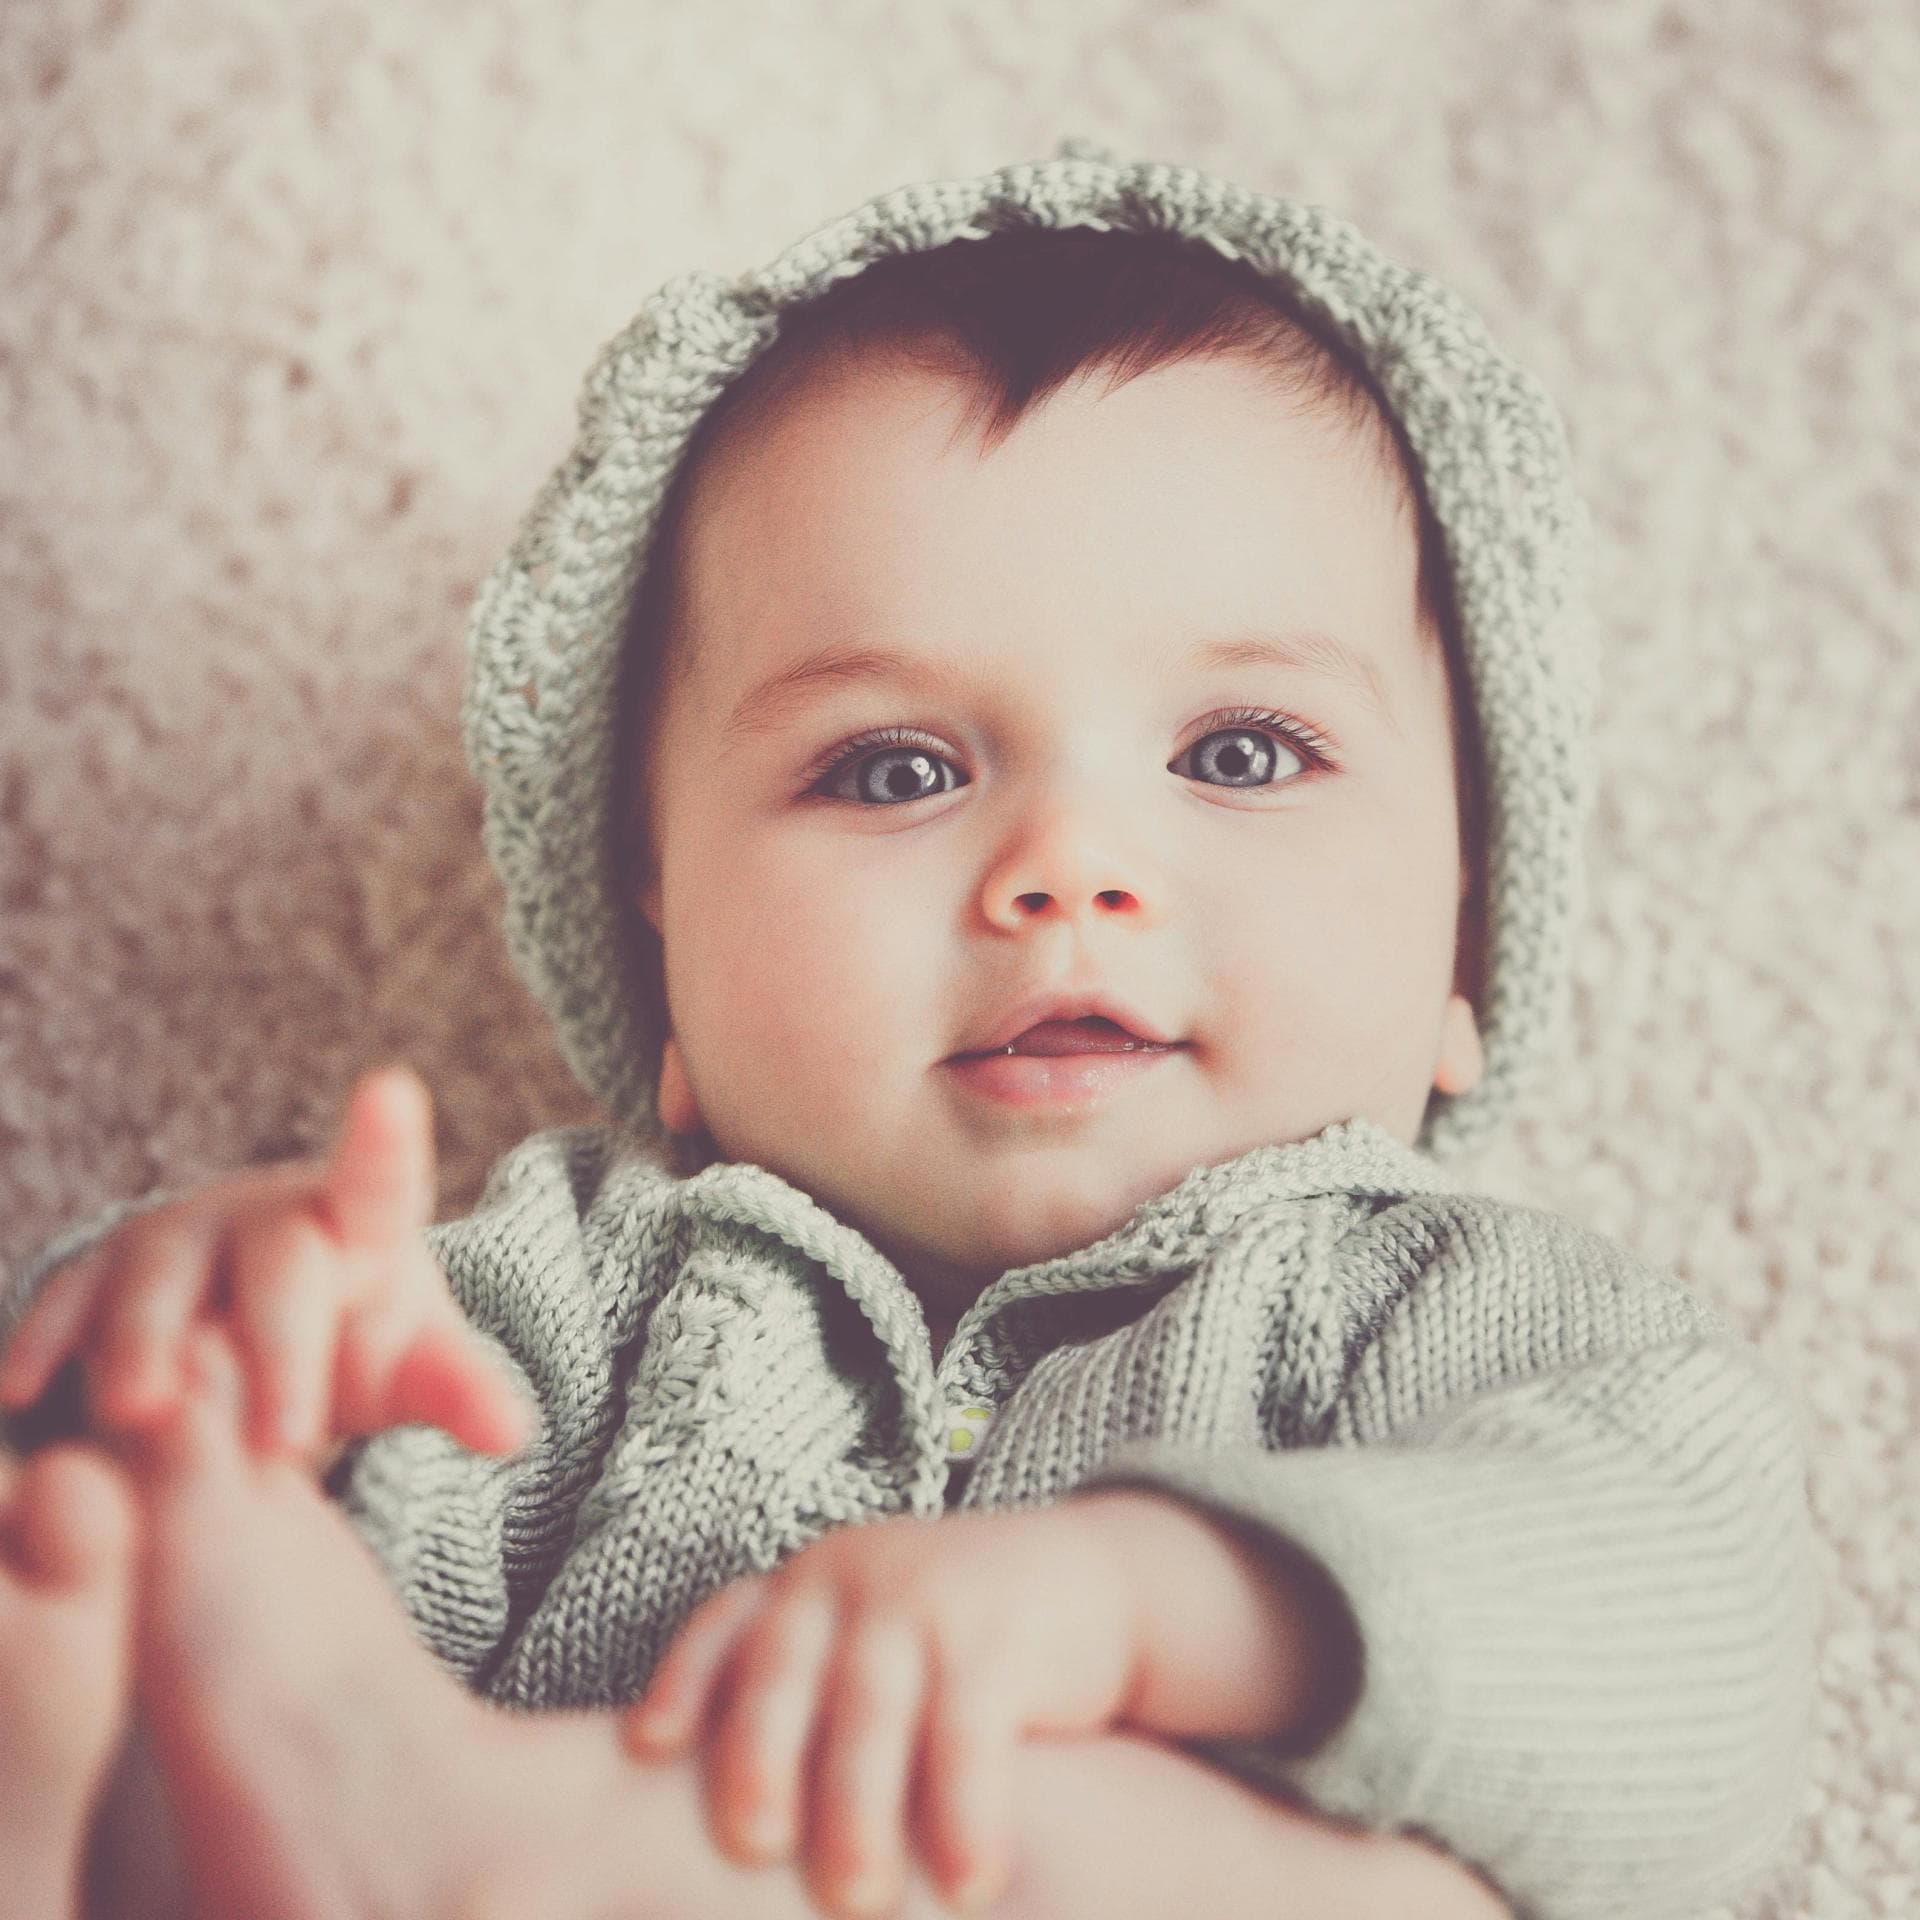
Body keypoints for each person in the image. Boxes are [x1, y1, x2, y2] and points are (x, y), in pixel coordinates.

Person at [0, 138, 1817, 1920]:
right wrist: (228, 1358)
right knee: (145, 1553)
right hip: (409, 1847)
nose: (1067, 868)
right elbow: (289, 1515)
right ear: (663, 954)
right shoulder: (563, 1307)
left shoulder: (1441, 1316)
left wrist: (1147, 1603)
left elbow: (1694, 1646)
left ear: (1463, 949)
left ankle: (493, 1845)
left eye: (1241, 752)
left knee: (1357, 1888)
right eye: (893, 771)